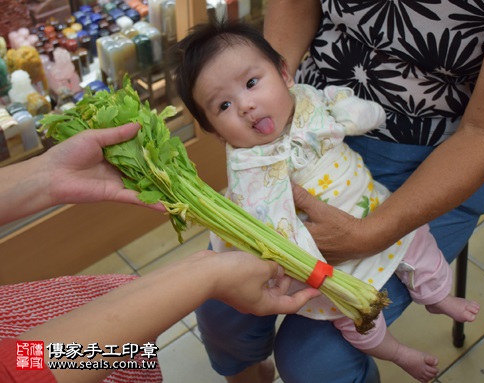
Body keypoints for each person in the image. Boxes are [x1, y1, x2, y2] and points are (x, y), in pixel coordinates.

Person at [256, 1, 484, 382]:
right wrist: (262, 94)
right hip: (310, 127)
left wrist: (368, 236)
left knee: (316, 361)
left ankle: (428, 302)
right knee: (224, 307)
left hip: (436, 163)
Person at [170, 20, 481, 382]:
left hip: (376, 204)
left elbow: (341, 106)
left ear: (285, 74)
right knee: (355, 317)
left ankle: (438, 295)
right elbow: (266, 221)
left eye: (252, 83)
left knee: (418, 243)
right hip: (323, 255)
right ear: (216, 134)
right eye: (223, 106)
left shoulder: (306, 100)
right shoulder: (249, 168)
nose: (246, 106)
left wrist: (360, 114)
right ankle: (397, 353)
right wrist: (306, 261)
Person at [0, 123, 320, 383]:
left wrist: (46, 175)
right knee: (126, 349)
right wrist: (207, 273)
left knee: (132, 339)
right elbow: (26, 366)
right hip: (38, 361)